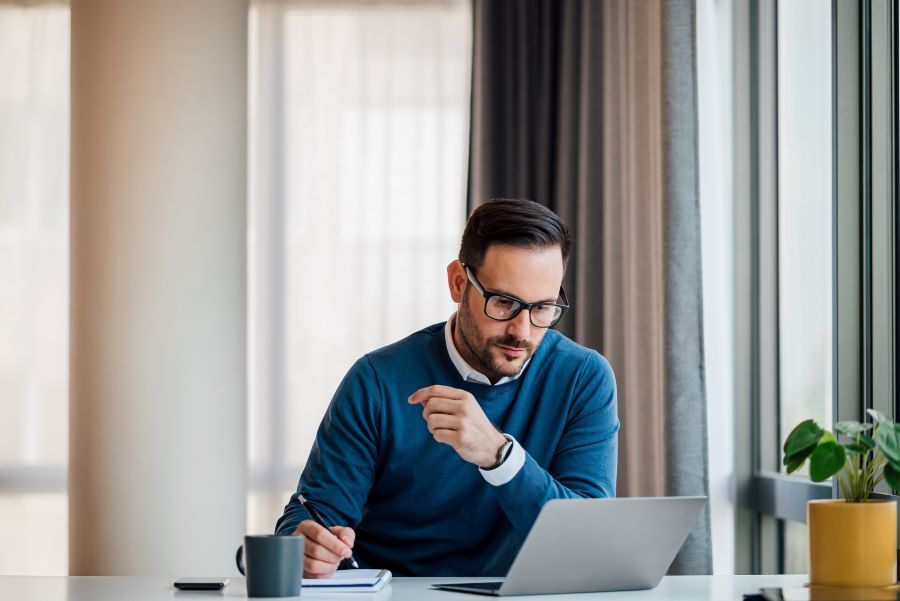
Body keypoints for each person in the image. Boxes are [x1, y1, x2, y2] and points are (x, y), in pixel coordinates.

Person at [274, 198, 618, 578]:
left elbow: (588, 541)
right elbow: (313, 511)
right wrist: (305, 543)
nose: (522, 332)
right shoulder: (377, 379)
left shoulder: (583, 377)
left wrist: (499, 456)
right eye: (503, 302)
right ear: (458, 282)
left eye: (542, 308)